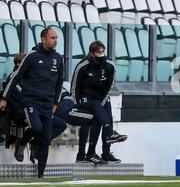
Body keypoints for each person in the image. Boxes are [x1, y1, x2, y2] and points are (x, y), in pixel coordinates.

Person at [0, 27, 64, 178]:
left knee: (45, 140)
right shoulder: (31, 56)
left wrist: (56, 102)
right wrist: (4, 98)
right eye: (52, 38)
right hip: (31, 102)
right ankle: (22, 142)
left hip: (48, 104)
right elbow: (15, 77)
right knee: (36, 127)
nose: (55, 41)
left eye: (56, 38)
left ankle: (41, 176)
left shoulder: (58, 58)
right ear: (44, 39)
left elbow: (59, 81)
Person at [71, 41, 124, 165]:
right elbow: (75, 87)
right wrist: (76, 104)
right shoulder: (82, 66)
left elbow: (110, 86)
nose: (101, 55)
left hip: (102, 98)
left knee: (107, 122)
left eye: (102, 52)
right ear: (92, 54)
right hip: (86, 97)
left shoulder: (110, 65)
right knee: (88, 123)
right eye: (98, 52)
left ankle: (106, 153)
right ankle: (82, 154)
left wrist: (101, 103)